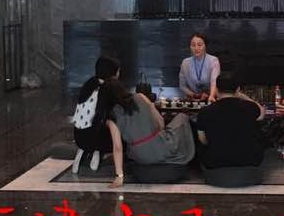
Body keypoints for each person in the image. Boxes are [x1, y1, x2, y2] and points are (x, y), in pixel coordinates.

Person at [106, 81, 195, 169]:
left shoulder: (112, 114)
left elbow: (117, 147)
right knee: (182, 117)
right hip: (159, 149)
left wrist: (119, 175)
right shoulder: (140, 97)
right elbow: (161, 125)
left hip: (137, 156)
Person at [71, 56, 125, 184]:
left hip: (78, 136)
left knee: (99, 123)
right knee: (118, 131)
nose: (119, 74)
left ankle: (88, 151)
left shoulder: (89, 84)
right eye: (118, 71)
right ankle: (97, 152)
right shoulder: (108, 88)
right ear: (111, 72)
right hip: (95, 138)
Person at [195, 73, 265, 169]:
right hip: (248, 160)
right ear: (238, 89)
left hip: (215, 161)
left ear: (216, 89)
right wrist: (242, 96)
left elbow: (203, 140)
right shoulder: (250, 107)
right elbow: (261, 113)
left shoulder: (205, 111)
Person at [179, 33, 220, 101]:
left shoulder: (213, 60)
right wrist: (194, 95)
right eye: (193, 45)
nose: (196, 48)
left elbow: (214, 82)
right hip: (193, 99)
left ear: (205, 46)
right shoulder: (185, 63)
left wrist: (211, 96)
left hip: (211, 98)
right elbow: (182, 86)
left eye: (199, 45)